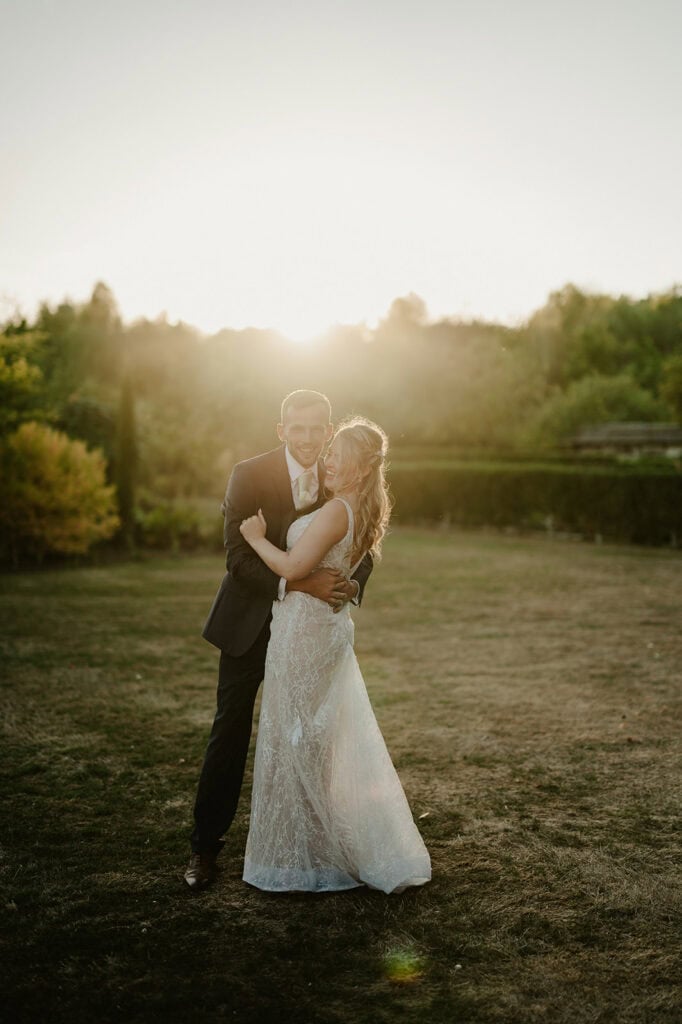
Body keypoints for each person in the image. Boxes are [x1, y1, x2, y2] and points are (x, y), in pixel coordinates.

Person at [185, 390, 373, 890]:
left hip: (310, 633)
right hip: (249, 623)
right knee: (230, 730)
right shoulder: (249, 474)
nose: (309, 438)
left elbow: (362, 536)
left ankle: (312, 843)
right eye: (299, 428)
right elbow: (237, 558)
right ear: (282, 430)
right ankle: (205, 847)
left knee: (314, 735)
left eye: (318, 428)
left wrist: (354, 583)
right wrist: (297, 581)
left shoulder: (340, 473)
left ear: (329, 431)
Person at [238, 417, 431, 893]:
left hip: (305, 630)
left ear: (360, 470)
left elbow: (293, 565)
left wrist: (255, 537)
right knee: (313, 737)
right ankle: (316, 844)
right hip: (321, 629)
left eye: (337, 456)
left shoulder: (334, 512)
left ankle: (307, 855)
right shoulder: (358, 510)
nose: (327, 459)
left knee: (297, 736)